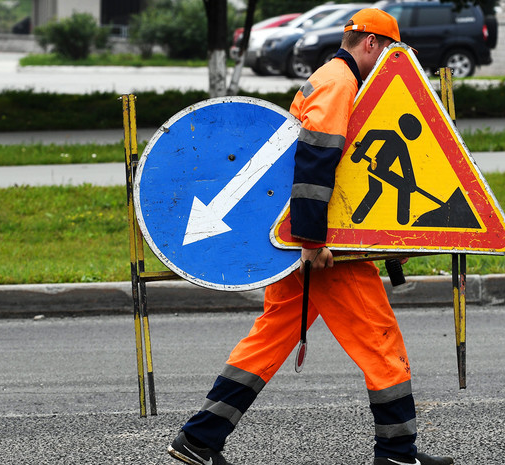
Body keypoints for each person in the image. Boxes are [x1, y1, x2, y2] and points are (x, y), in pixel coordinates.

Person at [167, 8, 454, 465]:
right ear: (373, 44)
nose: (391, 64)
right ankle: (398, 454)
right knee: (382, 345)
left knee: (268, 341)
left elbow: (355, 177)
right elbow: (315, 162)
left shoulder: (331, 79)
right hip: (325, 250)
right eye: (392, 53)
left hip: (304, 240)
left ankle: (200, 439)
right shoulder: (340, 83)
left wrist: (382, 242)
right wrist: (312, 241)